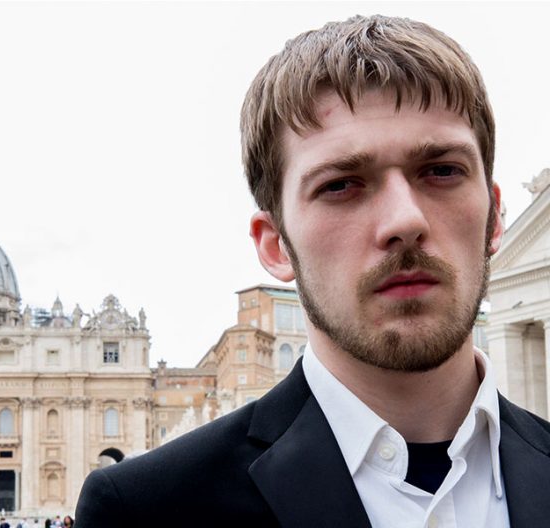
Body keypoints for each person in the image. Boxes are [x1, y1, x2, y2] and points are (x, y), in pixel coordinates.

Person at [75, 13, 550, 527]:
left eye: (441, 171)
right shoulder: (145, 511)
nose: (405, 220)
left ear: (495, 217)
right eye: (341, 184)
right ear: (276, 245)